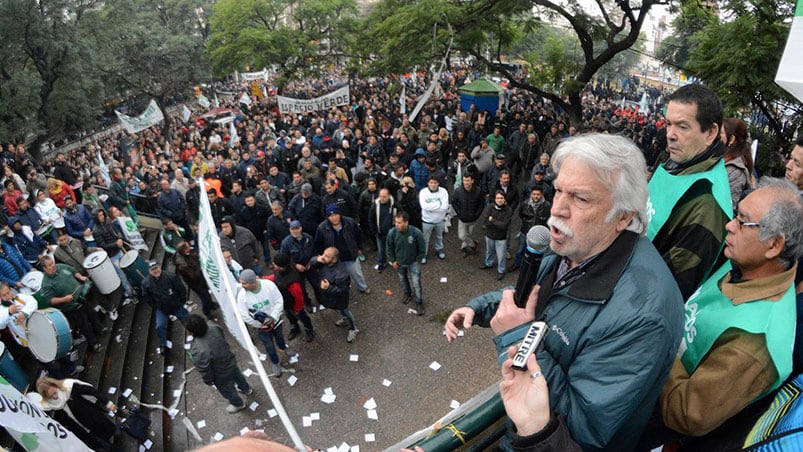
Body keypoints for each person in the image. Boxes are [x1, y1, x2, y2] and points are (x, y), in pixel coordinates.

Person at [444, 134, 684, 450]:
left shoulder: (643, 317)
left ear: (623, 217)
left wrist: (519, 340)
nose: (557, 209)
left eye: (580, 199)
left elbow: (580, 427)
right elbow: (544, 295)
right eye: (558, 191)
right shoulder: (578, 243)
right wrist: (482, 307)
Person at [645, 178, 803, 449]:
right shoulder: (745, 264)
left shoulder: (755, 342)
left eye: (743, 221)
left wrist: (660, 333)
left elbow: (686, 413)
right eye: (736, 214)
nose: (730, 225)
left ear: (774, 245)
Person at [648, 84, 732, 300]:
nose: (670, 135)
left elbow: (669, 286)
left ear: (711, 133)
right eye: (668, 124)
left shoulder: (706, 202)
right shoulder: (678, 164)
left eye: (683, 127)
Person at [0, 282, 83, 378]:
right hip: (27, 341)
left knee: (55, 348)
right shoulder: (2, 310)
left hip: (40, 331)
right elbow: (1, 324)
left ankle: (70, 369)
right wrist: (9, 312)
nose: (8, 296)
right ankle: (60, 380)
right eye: (4, 295)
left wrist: (24, 313)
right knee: (45, 361)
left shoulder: (19, 298)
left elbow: (33, 302)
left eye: (8, 293)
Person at [184, 314, 253, 414]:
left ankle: (238, 404)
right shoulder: (214, 327)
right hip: (230, 360)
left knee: (227, 390)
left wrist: (208, 381)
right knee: (238, 376)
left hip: (220, 374)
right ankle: (246, 389)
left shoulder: (198, 350)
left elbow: (204, 369)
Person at [39, 256, 107, 352]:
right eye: (49, 265)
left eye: (52, 263)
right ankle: (94, 343)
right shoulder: (46, 284)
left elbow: (72, 270)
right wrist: (64, 299)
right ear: (44, 268)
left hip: (82, 297)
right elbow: (50, 300)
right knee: (84, 325)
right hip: (72, 307)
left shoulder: (60, 266)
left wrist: (81, 277)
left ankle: (100, 329)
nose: (53, 266)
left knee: (93, 314)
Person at [236, 269, 296, 377]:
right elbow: (244, 315)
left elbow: (279, 301)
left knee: (279, 337)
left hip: (275, 321)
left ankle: (283, 347)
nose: (242, 285)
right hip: (262, 327)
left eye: (244, 283)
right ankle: (275, 362)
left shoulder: (269, 285)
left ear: (252, 282)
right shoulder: (242, 296)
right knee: (269, 346)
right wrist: (260, 325)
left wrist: (273, 318)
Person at [35, 376, 118, 451]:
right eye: (51, 396)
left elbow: (91, 391)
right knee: (103, 445)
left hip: (92, 419)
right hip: (80, 431)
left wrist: (108, 403)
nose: (54, 396)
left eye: (55, 392)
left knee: (108, 436)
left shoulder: (69, 388)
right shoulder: (48, 408)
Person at [313, 204, 370, 294]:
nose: (334, 218)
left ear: (340, 214)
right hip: (334, 259)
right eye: (331, 216)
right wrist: (325, 256)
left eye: (336, 214)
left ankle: (363, 287)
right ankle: (343, 291)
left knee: (357, 274)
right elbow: (318, 244)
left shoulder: (350, 222)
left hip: (350, 255)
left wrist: (359, 247)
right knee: (338, 277)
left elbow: (358, 235)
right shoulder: (321, 228)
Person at [309, 247, 359, 343]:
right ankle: (345, 319)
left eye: (326, 256)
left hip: (340, 299)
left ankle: (353, 328)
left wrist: (328, 288)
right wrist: (316, 259)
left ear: (334, 259)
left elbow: (343, 291)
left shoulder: (341, 274)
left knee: (346, 311)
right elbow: (312, 264)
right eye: (323, 254)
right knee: (341, 311)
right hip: (329, 297)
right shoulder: (324, 262)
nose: (323, 257)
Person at [141, 260, 188, 354]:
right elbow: (147, 297)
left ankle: (193, 333)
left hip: (176, 305)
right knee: (159, 326)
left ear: (160, 267)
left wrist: (181, 302)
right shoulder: (146, 283)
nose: (155, 271)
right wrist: (156, 306)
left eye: (156, 268)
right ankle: (163, 344)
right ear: (149, 271)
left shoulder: (171, 276)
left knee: (187, 320)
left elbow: (181, 289)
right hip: (162, 309)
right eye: (152, 269)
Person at [386, 211, 426, 315]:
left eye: (399, 222)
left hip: (414, 263)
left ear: (406, 222)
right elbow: (389, 248)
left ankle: (419, 302)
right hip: (399, 263)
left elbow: (422, 248)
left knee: (416, 283)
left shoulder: (416, 233)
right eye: (396, 222)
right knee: (402, 279)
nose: (397, 225)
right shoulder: (392, 233)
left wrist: (418, 260)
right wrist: (392, 260)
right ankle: (407, 294)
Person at [268, 253, 314, 342]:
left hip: (293, 305)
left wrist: (298, 308)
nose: (273, 265)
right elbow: (275, 277)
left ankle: (309, 330)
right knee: (289, 316)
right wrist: (263, 279)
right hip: (286, 303)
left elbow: (299, 297)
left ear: (281, 266)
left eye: (275, 264)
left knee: (302, 317)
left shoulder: (293, 282)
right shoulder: (279, 271)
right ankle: (294, 327)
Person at [92, 208, 135, 302]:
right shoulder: (95, 231)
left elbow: (117, 231)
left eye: (102, 214)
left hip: (119, 249)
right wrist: (116, 244)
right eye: (99, 215)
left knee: (127, 269)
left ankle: (132, 285)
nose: (102, 216)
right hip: (112, 255)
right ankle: (128, 292)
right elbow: (102, 245)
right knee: (121, 274)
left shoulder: (108, 222)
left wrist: (119, 238)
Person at [174, 240, 219, 317]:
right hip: (195, 283)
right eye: (188, 246)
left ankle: (211, 304)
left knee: (207, 293)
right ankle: (207, 311)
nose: (190, 247)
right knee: (204, 296)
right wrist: (201, 265)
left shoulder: (188, 254)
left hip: (200, 279)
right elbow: (193, 276)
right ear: (185, 250)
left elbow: (195, 257)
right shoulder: (182, 265)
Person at [280, 220, 319, 310]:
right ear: (289, 230)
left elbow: (314, 251)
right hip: (296, 270)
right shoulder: (286, 243)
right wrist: (295, 265)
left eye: (297, 228)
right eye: (292, 229)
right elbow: (284, 259)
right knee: (302, 289)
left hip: (310, 266)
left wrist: (311, 262)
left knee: (316, 284)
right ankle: (308, 304)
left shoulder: (308, 238)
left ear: (301, 228)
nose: (295, 231)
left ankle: (320, 300)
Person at [511, 185, 551, 272]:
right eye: (534, 194)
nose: (536, 196)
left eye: (538, 194)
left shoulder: (547, 205)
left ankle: (532, 268)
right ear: (531, 194)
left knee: (536, 252)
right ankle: (517, 264)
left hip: (538, 235)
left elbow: (548, 218)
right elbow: (521, 215)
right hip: (525, 231)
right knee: (521, 249)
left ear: (541, 194)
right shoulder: (525, 204)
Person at [721, 118, 755, 210]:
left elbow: (728, 208)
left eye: (720, 134)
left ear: (731, 139)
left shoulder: (736, 172)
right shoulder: (719, 160)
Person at [479, 190, 513, 280]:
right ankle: (488, 263)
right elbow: (485, 221)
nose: (499, 200)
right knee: (489, 251)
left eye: (501, 198)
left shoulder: (508, 210)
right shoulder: (490, 207)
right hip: (489, 235)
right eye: (497, 198)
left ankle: (501, 270)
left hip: (501, 238)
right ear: (495, 199)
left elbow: (504, 226)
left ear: (504, 199)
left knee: (501, 256)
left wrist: (492, 220)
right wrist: (495, 223)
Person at [452, 172, 484, 256]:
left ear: (472, 181)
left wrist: (477, 215)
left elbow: (481, 204)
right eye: (464, 180)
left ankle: (464, 248)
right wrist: (459, 213)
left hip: (473, 219)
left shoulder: (478, 191)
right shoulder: (458, 191)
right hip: (462, 219)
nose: (466, 182)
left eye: (468, 180)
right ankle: (473, 244)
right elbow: (454, 202)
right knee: (462, 236)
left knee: (469, 235)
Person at [418, 175, 449, 263]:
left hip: (440, 220)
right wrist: (438, 204)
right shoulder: (423, 192)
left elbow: (445, 207)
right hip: (427, 221)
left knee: (439, 237)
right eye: (431, 183)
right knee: (425, 239)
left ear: (438, 183)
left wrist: (430, 207)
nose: (433, 185)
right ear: (428, 183)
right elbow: (424, 206)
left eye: (435, 183)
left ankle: (439, 249)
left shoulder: (443, 192)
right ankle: (424, 254)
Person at [367, 187, 396, 272]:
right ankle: (381, 263)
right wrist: (374, 231)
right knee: (381, 249)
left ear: (389, 196)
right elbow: (370, 219)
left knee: (392, 247)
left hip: (391, 232)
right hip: (379, 232)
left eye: (384, 196)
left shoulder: (394, 204)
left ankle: (392, 260)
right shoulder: (375, 206)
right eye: (380, 196)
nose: (382, 198)